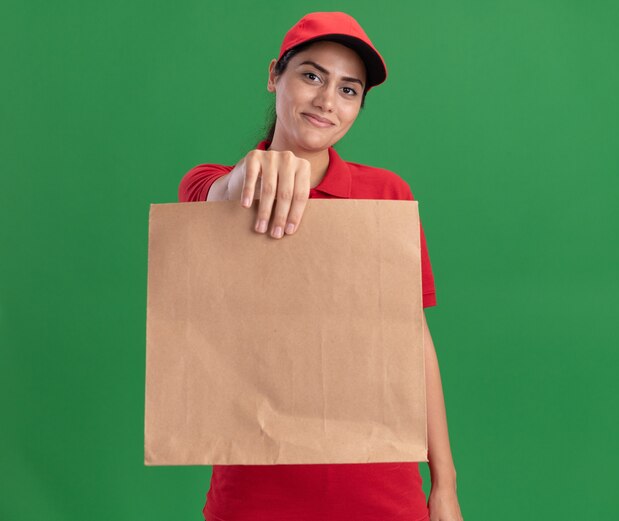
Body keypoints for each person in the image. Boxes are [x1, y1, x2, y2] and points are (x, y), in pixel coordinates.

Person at [178, 11, 463, 521]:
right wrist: (246, 175)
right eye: (311, 76)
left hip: (383, 489)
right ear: (274, 75)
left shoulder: (387, 197)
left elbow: (413, 341)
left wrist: (445, 486)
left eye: (349, 90)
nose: (328, 100)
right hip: (254, 494)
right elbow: (207, 194)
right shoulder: (219, 189)